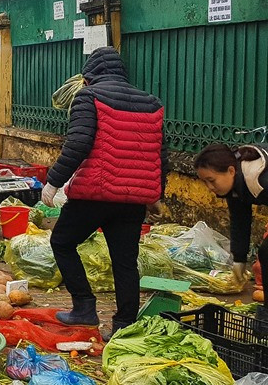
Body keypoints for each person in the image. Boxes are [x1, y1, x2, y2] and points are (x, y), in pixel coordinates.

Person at [41, 47, 168, 337]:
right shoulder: (152, 102)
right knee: (125, 262)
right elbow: (161, 153)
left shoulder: (88, 96)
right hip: (133, 197)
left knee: (62, 242)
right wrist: (156, 193)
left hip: (94, 192)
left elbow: (78, 143)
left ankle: (84, 307)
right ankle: (124, 326)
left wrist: (53, 181)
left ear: (89, 76)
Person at [194, 143, 268, 321]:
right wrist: (239, 259)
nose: (210, 187)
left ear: (231, 171)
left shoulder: (260, 179)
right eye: (205, 182)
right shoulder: (235, 186)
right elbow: (240, 220)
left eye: (211, 180)